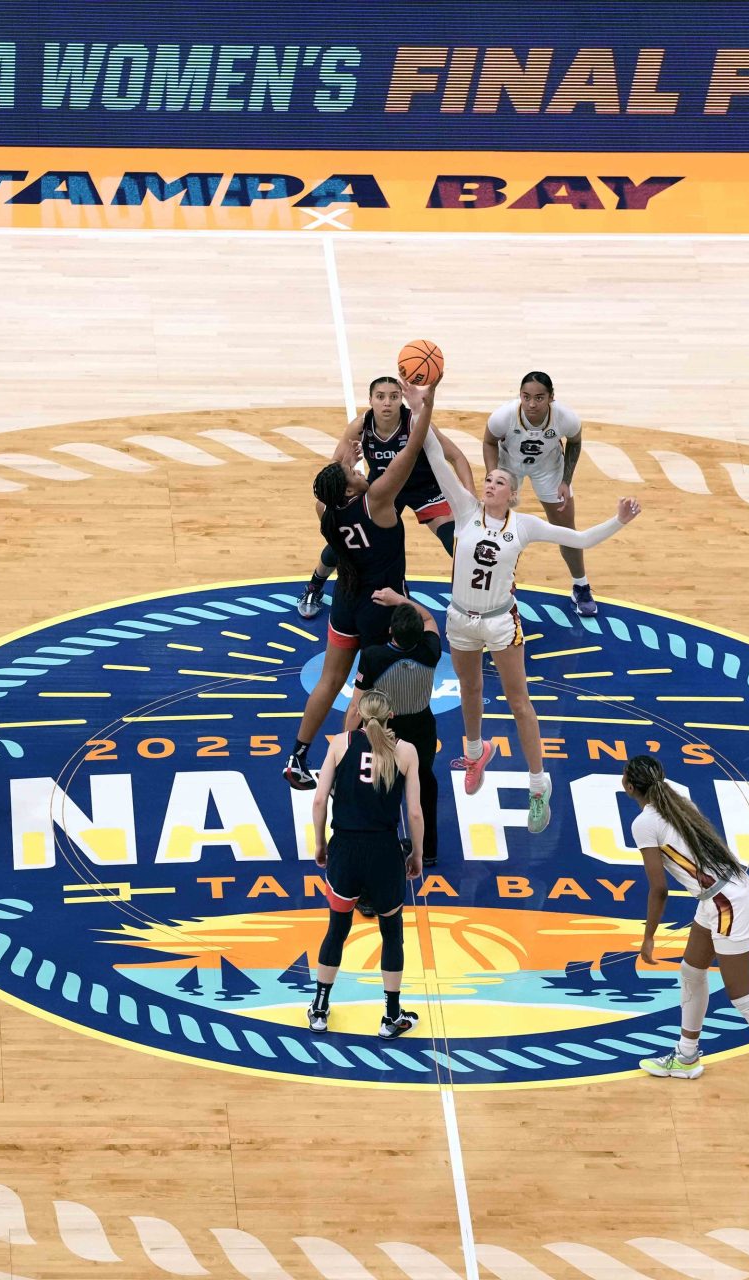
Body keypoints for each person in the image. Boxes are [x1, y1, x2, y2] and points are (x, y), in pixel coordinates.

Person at [416, 423, 640, 834]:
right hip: (460, 618)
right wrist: (421, 404)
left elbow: (582, 538)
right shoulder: (466, 510)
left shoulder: (525, 526)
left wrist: (619, 521)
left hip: (501, 621)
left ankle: (539, 786)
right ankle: (474, 753)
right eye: (487, 479)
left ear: (513, 493)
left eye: (499, 481)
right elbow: (434, 455)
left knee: (519, 703)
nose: (489, 484)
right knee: (470, 689)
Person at [624, 754, 749, 1125]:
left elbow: (659, 889)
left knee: (743, 996)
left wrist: (648, 937)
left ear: (629, 787)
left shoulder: (643, 823)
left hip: (727, 902)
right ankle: (686, 1056)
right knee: (692, 971)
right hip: (717, 894)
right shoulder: (675, 793)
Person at [284, 380, 436, 790]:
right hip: (381, 602)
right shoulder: (380, 500)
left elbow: (326, 482)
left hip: (346, 600)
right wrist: (426, 402)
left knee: (329, 681)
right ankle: (365, 761)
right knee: (376, 694)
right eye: (355, 472)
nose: (360, 471)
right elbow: (411, 448)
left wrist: (342, 456)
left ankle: (298, 755)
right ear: (351, 486)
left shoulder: (326, 510)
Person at [296, 377, 471, 620]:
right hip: (384, 490)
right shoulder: (360, 426)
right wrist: (346, 462)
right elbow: (334, 468)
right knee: (347, 537)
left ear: (401, 399)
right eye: (380, 397)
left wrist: (470, 499)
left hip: (424, 488)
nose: (387, 403)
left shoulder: (415, 422)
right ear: (370, 401)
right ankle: (314, 586)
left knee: (457, 542)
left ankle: (480, 596)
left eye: (393, 396)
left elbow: (457, 457)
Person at [305, 690, 425, 1039]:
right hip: (385, 852)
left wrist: (320, 842)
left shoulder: (340, 743)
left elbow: (317, 801)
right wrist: (416, 854)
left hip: (345, 849)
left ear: (358, 713)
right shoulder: (406, 751)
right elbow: (414, 812)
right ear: (391, 716)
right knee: (392, 934)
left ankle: (320, 1009)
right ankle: (391, 1017)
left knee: (337, 929)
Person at [345, 589, 444, 867]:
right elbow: (429, 619)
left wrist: (346, 741)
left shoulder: (373, 656)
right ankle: (429, 850)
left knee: (378, 786)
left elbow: (355, 707)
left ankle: (379, 844)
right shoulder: (430, 650)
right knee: (424, 783)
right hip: (423, 727)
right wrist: (401, 600)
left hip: (385, 729)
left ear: (391, 631)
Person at [484, 372, 593, 615]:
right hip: (509, 466)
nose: (532, 404)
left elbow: (575, 442)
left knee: (566, 530)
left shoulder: (566, 418)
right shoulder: (504, 416)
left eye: (539, 398)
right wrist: (495, 477)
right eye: (526, 397)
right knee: (496, 528)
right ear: (520, 396)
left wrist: (566, 480)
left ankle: (581, 586)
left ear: (551, 398)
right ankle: (496, 588)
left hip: (549, 468)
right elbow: (489, 441)